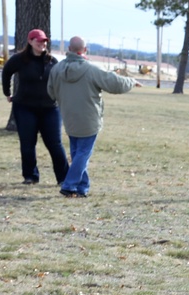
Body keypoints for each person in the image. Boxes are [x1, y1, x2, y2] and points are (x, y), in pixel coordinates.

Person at [46, 35, 140, 198]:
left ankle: (82, 188)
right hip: (89, 119)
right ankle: (69, 185)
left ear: (69, 49)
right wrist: (131, 81)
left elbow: (51, 92)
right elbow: (114, 83)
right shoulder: (91, 69)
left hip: (69, 117)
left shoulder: (56, 69)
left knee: (77, 153)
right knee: (83, 153)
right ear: (84, 50)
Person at [1, 29, 69, 186]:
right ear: (30, 41)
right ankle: (30, 176)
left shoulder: (52, 61)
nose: (42, 44)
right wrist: (7, 92)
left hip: (50, 108)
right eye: (39, 41)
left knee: (55, 143)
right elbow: (6, 72)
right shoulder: (19, 59)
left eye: (45, 41)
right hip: (25, 107)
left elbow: (61, 81)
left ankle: (64, 178)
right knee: (27, 143)